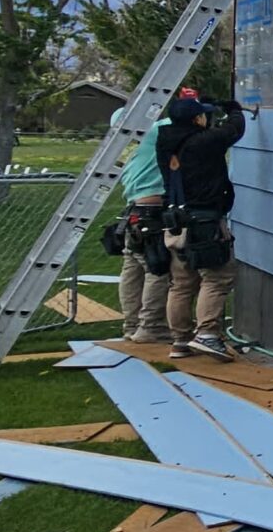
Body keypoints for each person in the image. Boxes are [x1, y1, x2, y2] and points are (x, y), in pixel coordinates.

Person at [158, 92, 250, 360]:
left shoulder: (166, 142)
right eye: (203, 114)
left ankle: (180, 341)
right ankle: (207, 335)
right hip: (205, 222)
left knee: (182, 282)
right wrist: (234, 109)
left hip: (176, 222)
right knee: (218, 276)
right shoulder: (203, 142)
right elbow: (233, 130)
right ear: (196, 118)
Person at [107, 102, 175, 345]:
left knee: (132, 269)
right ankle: (151, 327)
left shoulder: (122, 147)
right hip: (152, 210)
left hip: (134, 210)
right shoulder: (153, 133)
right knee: (156, 269)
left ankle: (132, 325)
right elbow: (181, 119)